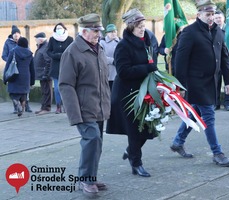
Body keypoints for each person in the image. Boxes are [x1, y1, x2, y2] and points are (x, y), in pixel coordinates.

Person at [170, 0, 229, 167]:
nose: (211, 17)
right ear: (199, 15)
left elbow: (225, 57)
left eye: (213, 14)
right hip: (195, 83)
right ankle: (217, 152)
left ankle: (178, 142)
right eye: (208, 14)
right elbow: (180, 62)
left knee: (195, 114)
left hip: (212, 82)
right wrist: (180, 86)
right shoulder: (189, 32)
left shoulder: (218, 31)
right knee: (208, 117)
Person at [59, 13, 110, 195]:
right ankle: (86, 180)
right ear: (84, 31)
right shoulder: (72, 52)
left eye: (99, 31)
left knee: (97, 143)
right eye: (95, 31)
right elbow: (65, 85)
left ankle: (90, 177)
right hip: (83, 109)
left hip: (99, 107)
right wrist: (74, 115)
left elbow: (102, 80)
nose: (98, 34)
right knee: (92, 139)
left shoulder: (99, 49)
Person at [106, 8, 158, 177]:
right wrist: (147, 68)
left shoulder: (147, 40)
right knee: (135, 130)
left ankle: (130, 151)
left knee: (148, 128)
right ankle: (136, 163)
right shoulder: (123, 46)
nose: (142, 29)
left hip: (145, 90)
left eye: (143, 25)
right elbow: (123, 71)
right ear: (129, 27)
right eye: (138, 26)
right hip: (128, 94)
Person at [2, 25, 32, 113]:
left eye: (18, 33)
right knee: (15, 88)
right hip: (13, 68)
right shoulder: (8, 43)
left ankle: (26, 106)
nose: (16, 35)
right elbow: (4, 55)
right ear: (12, 34)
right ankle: (17, 107)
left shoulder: (23, 42)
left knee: (19, 89)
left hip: (22, 68)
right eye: (14, 33)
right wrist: (11, 61)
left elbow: (28, 54)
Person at [47, 23, 73, 114]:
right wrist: (55, 55)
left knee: (66, 88)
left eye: (60, 28)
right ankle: (58, 106)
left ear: (64, 29)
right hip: (55, 67)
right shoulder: (52, 39)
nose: (59, 29)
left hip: (67, 66)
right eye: (57, 28)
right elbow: (48, 51)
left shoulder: (69, 39)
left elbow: (72, 51)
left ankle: (66, 105)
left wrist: (64, 56)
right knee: (57, 88)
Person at [214, 10, 229, 111]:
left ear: (223, 18)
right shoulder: (212, 30)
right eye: (216, 18)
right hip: (216, 60)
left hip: (227, 60)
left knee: (228, 82)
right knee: (216, 82)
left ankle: (227, 103)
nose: (217, 20)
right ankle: (216, 103)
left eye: (219, 18)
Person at [33, 32, 53, 115]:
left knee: (47, 91)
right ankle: (43, 107)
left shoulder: (45, 47)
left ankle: (46, 108)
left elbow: (48, 61)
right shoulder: (41, 47)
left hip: (45, 74)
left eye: (36, 39)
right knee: (44, 91)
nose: (35, 41)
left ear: (40, 40)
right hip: (41, 74)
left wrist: (46, 74)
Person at [99, 24, 120, 90]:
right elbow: (101, 56)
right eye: (111, 32)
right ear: (107, 33)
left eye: (114, 31)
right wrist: (113, 61)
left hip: (119, 72)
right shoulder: (102, 42)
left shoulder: (121, 41)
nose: (113, 33)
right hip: (108, 73)